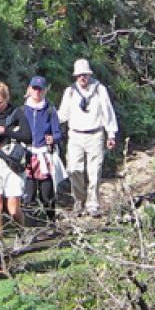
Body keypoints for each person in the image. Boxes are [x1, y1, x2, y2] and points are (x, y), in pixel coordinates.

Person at [57, 59, 119, 218]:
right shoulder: (69, 91)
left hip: (95, 134)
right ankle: (79, 199)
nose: (82, 78)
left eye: (84, 74)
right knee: (73, 169)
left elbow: (107, 111)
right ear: (75, 76)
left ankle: (93, 204)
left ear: (89, 74)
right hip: (75, 135)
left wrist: (111, 133)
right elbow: (62, 114)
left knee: (94, 171)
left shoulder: (99, 89)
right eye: (79, 75)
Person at [0, 81, 32, 246]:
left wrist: (7, 131)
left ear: (6, 99)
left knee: (12, 208)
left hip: (13, 162)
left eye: (0, 102)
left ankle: (22, 232)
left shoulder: (17, 113)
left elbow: (27, 136)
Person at [21, 75, 63, 225]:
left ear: (45, 91)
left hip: (44, 156)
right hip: (28, 155)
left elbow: (58, 133)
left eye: (40, 89)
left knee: (47, 194)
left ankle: (51, 222)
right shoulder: (22, 110)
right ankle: (29, 226)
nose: (37, 92)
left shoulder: (50, 109)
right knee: (28, 194)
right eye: (34, 88)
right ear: (29, 89)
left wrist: (53, 138)